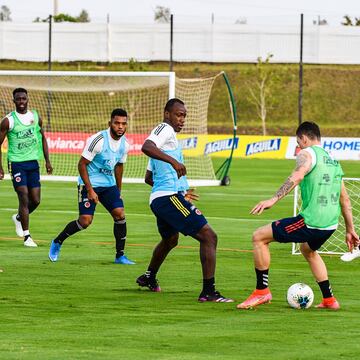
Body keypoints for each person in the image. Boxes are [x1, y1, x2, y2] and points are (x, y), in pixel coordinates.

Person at [237, 121, 359, 310]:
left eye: (298, 142)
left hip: (312, 222)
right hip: (330, 225)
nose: (298, 147)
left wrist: (273, 199)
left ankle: (262, 292)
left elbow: (298, 175)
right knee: (308, 250)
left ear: (303, 137)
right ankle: (329, 300)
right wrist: (350, 230)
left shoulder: (306, 153)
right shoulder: (333, 160)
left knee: (259, 237)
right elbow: (345, 200)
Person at [136, 98, 233, 303]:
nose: (182, 120)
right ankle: (208, 292)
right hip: (167, 198)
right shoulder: (164, 129)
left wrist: (180, 191)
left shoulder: (168, 143)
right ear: (167, 114)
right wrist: (174, 165)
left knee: (171, 240)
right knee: (209, 236)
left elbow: (148, 178)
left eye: (184, 116)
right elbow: (146, 146)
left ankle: (148, 277)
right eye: (179, 115)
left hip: (163, 197)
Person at [48, 108, 135, 265]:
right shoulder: (98, 140)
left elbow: (119, 166)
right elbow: (81, 164)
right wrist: (90, 189)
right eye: (117, 123)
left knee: (120, 214)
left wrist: (118, 190)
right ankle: (58, 241)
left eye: (123, 123)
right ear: (110, 123)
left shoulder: (125, 144)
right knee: (85, 221)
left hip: (109, 185)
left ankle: (120, 256)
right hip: (89, 183)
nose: (120, 126)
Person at [0, 88, 53, 247]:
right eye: (18, 99)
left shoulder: (35, 117)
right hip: (16, 163)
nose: (21, 102)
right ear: (14, 101)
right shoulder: (8, 121)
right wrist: (0, 167)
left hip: (33, 164)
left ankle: (18, 218)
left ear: (27, 99)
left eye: (24, 99)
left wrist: (47, 160)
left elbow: (43, 138)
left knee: (35, 200)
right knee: (23, 195)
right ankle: (27, 236)